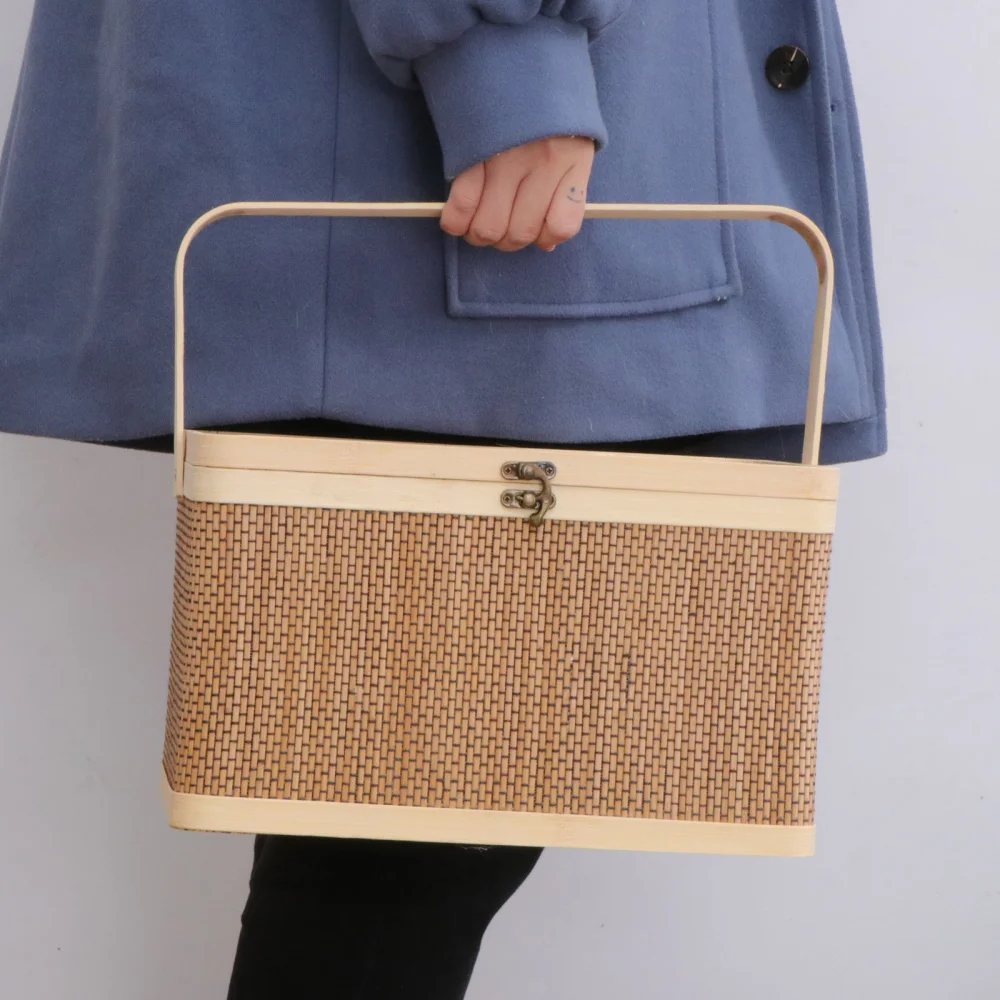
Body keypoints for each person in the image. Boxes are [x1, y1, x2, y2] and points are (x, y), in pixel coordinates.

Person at [0, 2, 887, 997]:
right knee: (406, 844)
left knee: (398, 836)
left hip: (456, 125)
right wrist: (502, 52)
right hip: (465, 136)